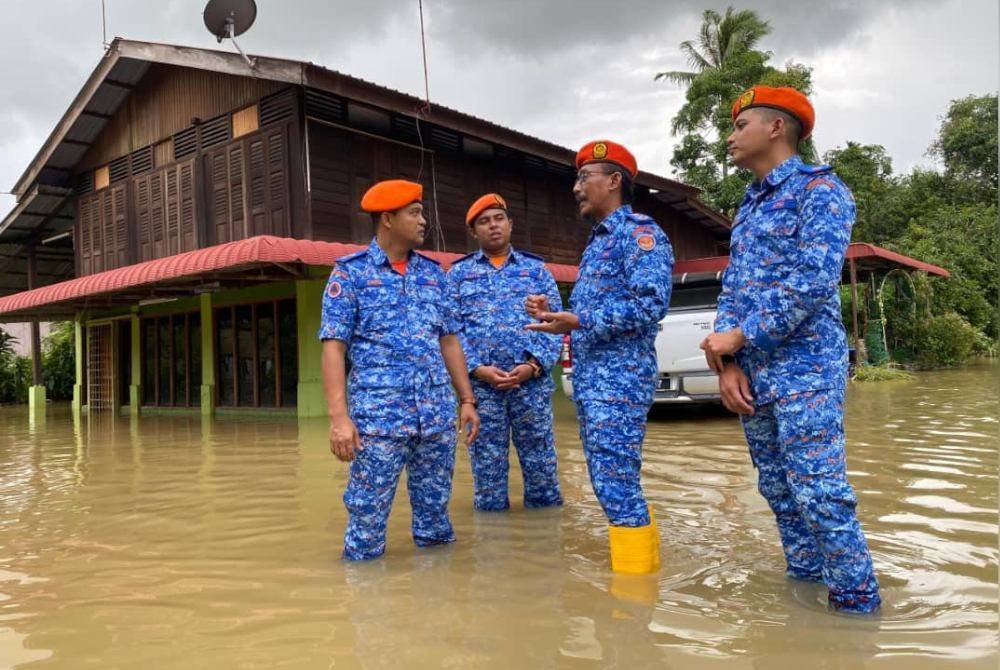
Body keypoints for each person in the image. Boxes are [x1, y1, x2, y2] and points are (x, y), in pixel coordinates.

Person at [700, 85, 881, 613]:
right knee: (778, 492)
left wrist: (740, 336)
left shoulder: (821, 192)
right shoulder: (749, 205)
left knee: (820, 493)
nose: (730, 137)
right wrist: (729, 362)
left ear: (776, 128)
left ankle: (856, 612)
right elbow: (733, 288)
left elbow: (812, 281)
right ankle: (804, 606)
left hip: (805, 369)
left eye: (740, 126)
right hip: (752, 374)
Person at [526, 141, 674, 574]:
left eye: (584, 177)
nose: (576, 188)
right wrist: (557, 317)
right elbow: (588, 316)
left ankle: (634, 596)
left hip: (619, 381)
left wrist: (579, 319)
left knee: (617, 484)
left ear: (613, 181)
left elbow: (651, 305)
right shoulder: (598, 242)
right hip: (596, 382)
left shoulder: (639, 234)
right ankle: (635, 580)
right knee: (610, 483)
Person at [318, 179, 480, 561]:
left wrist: (467, 400)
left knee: (436, 528)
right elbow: (333, 349)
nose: (424, 220)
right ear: (388, 219)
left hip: (436, 422)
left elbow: (450, 341)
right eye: (415, 213)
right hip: (378, 425)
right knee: (366, 530)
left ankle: (434, 611)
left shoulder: (433, 274)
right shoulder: (350, 275)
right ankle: (366, 611)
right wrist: (339, 418)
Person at [449, 193, 563, 511]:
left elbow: (554, 326)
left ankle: (545, 546)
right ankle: (495, 551)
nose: (493, 226)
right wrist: (476, 369)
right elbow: (449, 334)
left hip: (531, 388)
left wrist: (533, 366)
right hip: (482, 392)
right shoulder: (457, 276)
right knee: (488, 481)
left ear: (510, 224)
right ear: (474, 232)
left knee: (542, 474)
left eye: (498, 218)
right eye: (484, 222)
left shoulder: (537, 271)